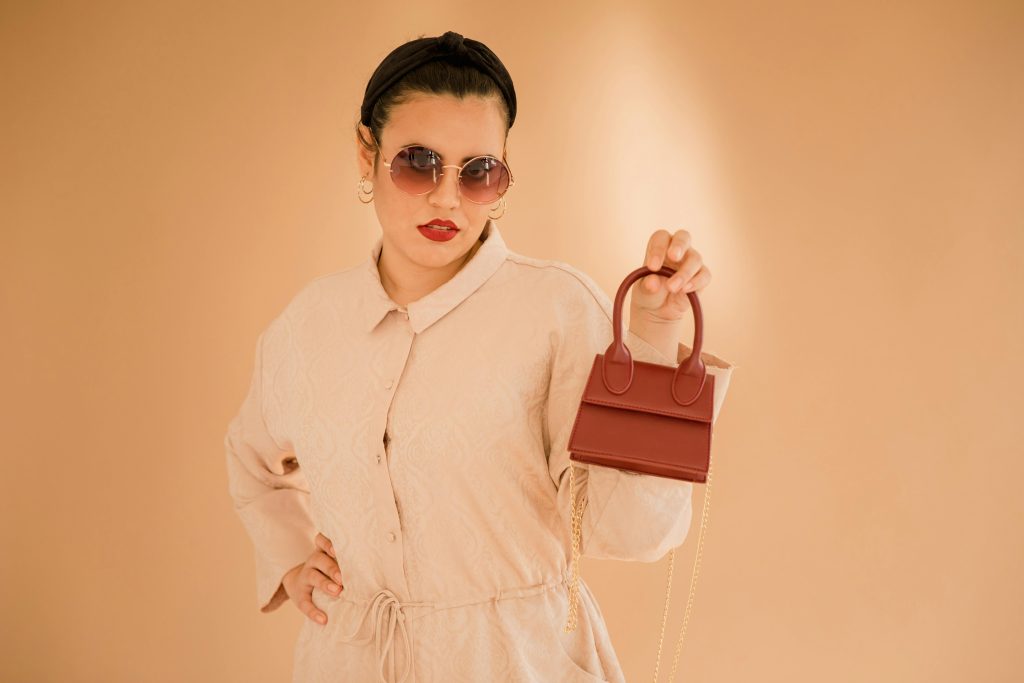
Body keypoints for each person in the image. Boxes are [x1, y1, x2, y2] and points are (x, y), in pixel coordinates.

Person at [224, 30, 736, 683]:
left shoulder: (555, 309)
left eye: (478, 173)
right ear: (365, 151)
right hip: (348, 662)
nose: (446, 198)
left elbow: (635, 532)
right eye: (418, 163)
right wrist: (292, 556)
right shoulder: (307, 327)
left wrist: (655, 340)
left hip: (515, 661)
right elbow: (249, 458)